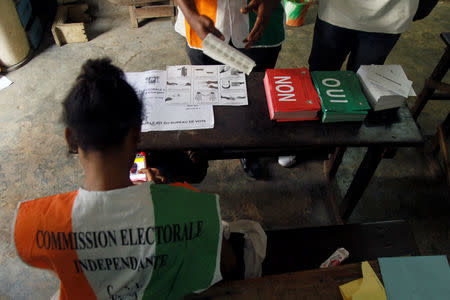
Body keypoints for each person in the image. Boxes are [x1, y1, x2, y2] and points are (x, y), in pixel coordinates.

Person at [12, 59, 265, 300]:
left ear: (70, 138)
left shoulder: (35, 222)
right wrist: (163, 198)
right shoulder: (188, 203)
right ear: (137, 135)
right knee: (253, 234)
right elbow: (229, 263)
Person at [279, 0, 421, 167]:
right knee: (319, 77)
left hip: (389, 14)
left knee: (359, 88)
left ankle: (338, 143)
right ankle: (305, 138)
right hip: (339, 10)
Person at [174, 0, 285, 178]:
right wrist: (191, 16)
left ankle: (248, 149)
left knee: (256, 98)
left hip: (261, 23)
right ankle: (204, 145)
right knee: (205, 92)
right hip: (201, 21)